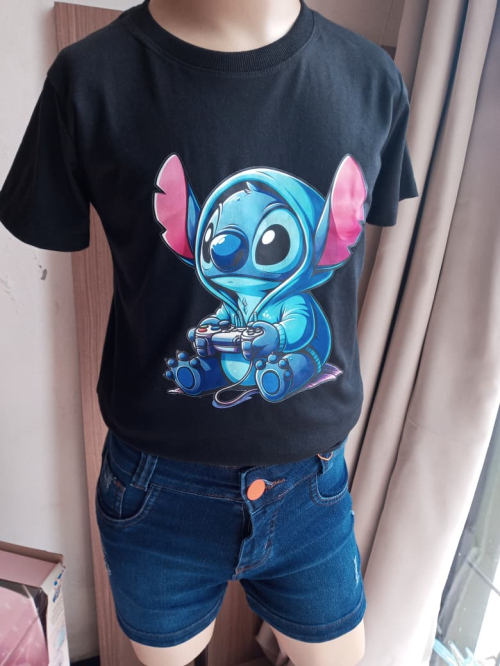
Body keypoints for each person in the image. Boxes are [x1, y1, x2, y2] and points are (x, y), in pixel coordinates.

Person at [0, 0, 419, 664]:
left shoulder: (370, 79)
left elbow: (308, 307)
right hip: (155, 487)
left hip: (310, 489)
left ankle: (273, 370)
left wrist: (271, 342)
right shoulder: (90, 78)